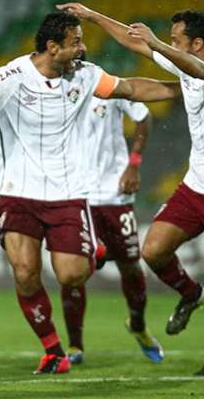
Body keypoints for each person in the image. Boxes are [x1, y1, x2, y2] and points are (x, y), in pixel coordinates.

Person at [0, 12, 179, 375]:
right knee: (26, 272)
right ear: (52, 47)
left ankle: (90, 251)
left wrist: (182, 87)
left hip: (67, 194)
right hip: (18, 192)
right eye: (76, 42)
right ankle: (53, 351)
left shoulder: (85, 76)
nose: (83, 47)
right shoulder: (12, 77)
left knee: (71, 276)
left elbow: (133, 89)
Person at [57, 3, 204, 376]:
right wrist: (93, 17)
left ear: (197, 43)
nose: (169, 44)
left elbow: (199, 69)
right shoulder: (182, 65)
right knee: (153, 250)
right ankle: (190, 293)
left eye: (176, 40)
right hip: (197, 186)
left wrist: (157, 46)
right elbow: (136, 43)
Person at [61, 49, 164, 365]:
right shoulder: (54, 93)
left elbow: (144, 118)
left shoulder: (108, 85)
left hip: (115, 195)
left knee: (131, 266)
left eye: (76, 61)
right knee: (72, 273)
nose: (71, 67)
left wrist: (134, 164)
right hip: (76, 194)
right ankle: (76, 345)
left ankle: (138, 325)